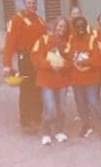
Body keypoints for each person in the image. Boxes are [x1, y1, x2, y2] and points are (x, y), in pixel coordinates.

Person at [3, 0, 47, 132]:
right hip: (25, 59)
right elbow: (10, 43)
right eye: (29, 3)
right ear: (23, 4)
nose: (32, 5)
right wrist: (7, 64)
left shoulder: (39, 19)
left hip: (38, 57)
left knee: (38, 87)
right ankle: (26, 122)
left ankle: (37, 118)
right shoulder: (17, 19)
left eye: (34, 3)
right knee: (27, 89)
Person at [30, 16, 73, 145]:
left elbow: (71, 62)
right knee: (51, 109)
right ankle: (46, 132)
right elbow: (35, 57)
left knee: (62, 109)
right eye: (60, 26)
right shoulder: (43, 39)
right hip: (46, 80)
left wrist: (62, 64)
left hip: (62, 80)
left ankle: (59, 131)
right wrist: (49, 64)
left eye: (64, 27)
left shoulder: (68, 43)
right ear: (54, 27)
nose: (62, 29)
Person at [69, 15, 101, 139]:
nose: (80, 28)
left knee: (94, 102)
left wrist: (85, 61)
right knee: (80, 104)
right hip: (77, 78)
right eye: (77, 26)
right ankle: (86, 125)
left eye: (82, 26)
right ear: (74, 28)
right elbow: (69, 56)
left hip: (91, 78)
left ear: (86, 26)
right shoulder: (71, 40)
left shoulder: (92, 39)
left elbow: (99, 60)